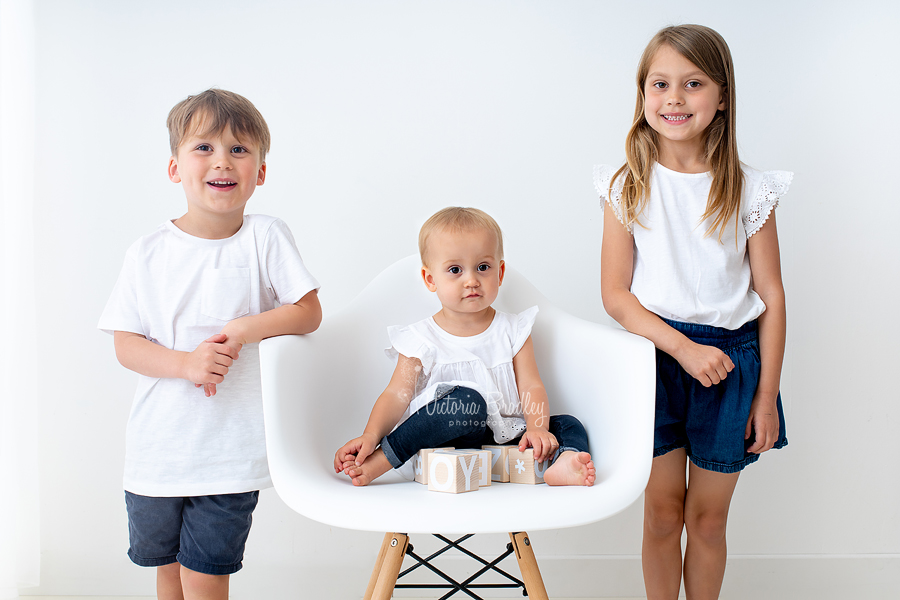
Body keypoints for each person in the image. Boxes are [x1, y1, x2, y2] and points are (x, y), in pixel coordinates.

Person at [98, 89, 322, 600]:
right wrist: (185, 365)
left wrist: (245, 328)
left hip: (228, 452)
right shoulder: (147, 252)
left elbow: (308, 312)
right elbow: (126, 344)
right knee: (171, 568)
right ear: (175, 168)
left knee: (206, 571)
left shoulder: (265, 237)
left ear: (260, 172)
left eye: (239, 150)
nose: (222, 161)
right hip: (158, 451)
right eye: (204, 148)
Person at [596, 25, 790, 600]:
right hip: (655, 359)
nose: (674, 98)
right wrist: (680, 348)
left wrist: (765, 396)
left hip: (731, 369)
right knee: (661, 514)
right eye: (660, 84)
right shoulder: (625, 186)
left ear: (722, 95)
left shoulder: (750, 191)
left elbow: (772, 297)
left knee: (707, 519)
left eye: (693, 83)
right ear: (643, 93)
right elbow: (616, 295)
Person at [334, 207, 595, 487]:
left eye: (483, 267)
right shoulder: (420, 339)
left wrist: (537, 428)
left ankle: (565, 460)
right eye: (455, 270)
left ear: (500, 272)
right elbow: (396, 394)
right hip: (443, 436)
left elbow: (531, 386)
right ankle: (381, 460)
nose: (471, 280)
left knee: (568, 423)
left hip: (502, 437)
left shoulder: (513, 330)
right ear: (430, 279)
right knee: (468, 403)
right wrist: (371, 435)